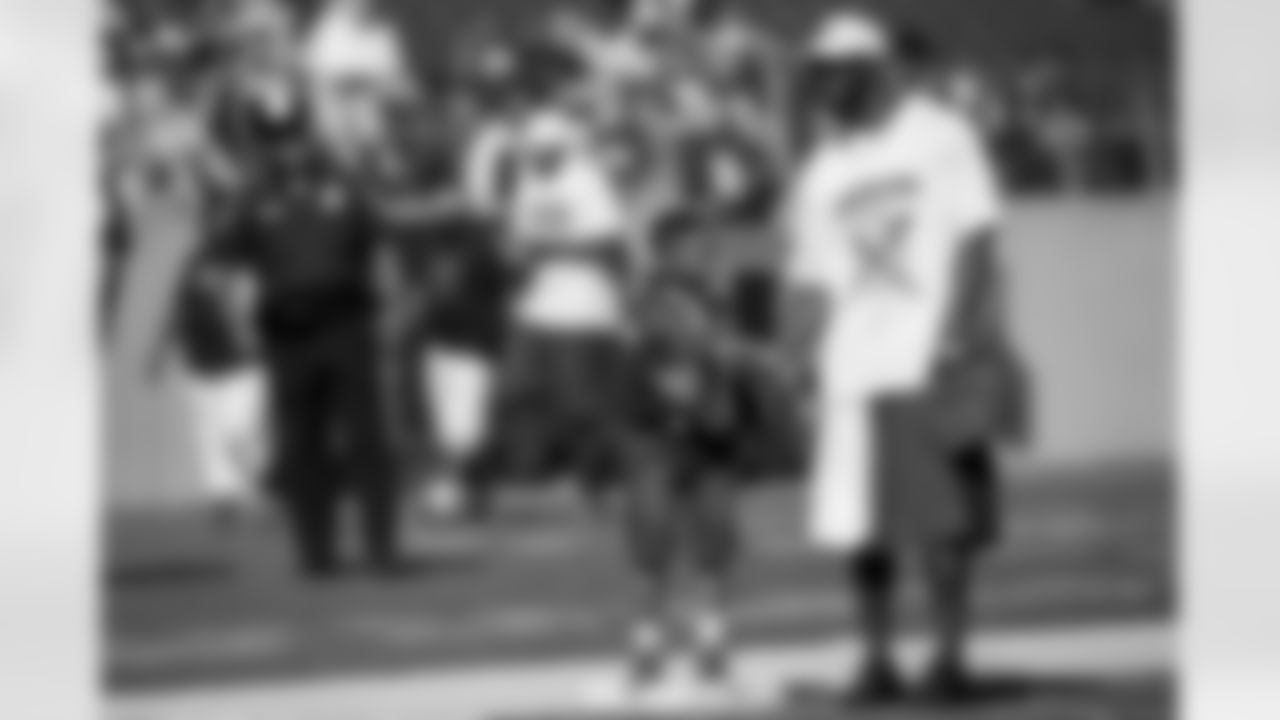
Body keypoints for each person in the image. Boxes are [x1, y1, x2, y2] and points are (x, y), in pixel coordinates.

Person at [783, 11, 1029, 706]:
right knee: (857, 526)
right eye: (817, 76)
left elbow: (978, 236)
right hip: (850, 367)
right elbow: (811, 277)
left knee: (944, 524)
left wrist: (959, 336)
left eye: (835, 74)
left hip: (924, 355)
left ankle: (949, 659)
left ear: (871, 68)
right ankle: (877, 659)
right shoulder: (824, 168)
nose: (823, 88)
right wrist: (796, 353)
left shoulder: (939, 135)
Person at [211, 103, 403, 579]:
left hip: (347, 323)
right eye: (278, 140)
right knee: (302, 444)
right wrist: (238, 324)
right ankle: (315, 552)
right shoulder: (254, 201)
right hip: (287, 332)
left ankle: (381, 549)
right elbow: (224, 264)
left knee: (367, 439)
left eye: (296, 137)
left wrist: (393, 312)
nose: (290, 149)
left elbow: (380, 249)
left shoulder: (345, 189)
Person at [492, 41, 637, 507]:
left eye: (547, 151)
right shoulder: (528, 181)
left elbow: (609, 244)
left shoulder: (585, 180)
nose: (540, 157)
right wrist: (515, 259)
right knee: (518, 391)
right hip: (535, 305)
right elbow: (517, 238)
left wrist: (549, 249)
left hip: (583, 306)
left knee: (581, 403)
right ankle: (532, 472)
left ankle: (598, 476)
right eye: (535, 151)